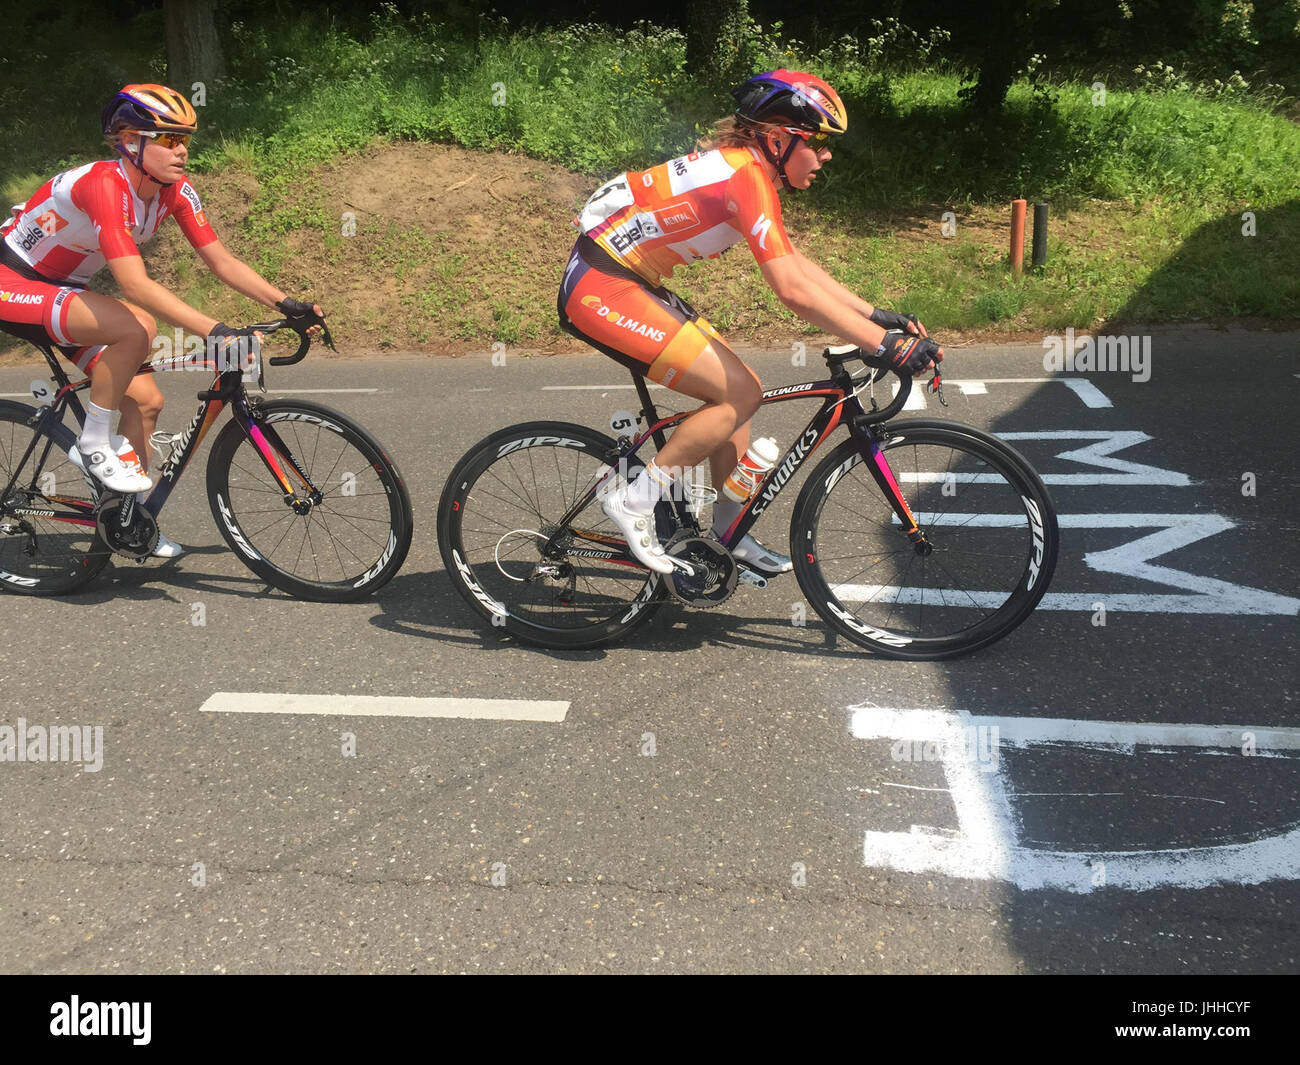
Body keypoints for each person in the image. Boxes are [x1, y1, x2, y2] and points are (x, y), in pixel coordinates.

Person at [558, 69, 942, 575]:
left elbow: (795, 265)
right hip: (602, 285)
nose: (826, 156)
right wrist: (886, 345)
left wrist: (875, 317)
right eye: (819, 142)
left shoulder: (748, 172)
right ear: (779, 139)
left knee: (745, 391)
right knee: (738, 393)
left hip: (629, 278)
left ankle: (727, 531)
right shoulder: (746, 176)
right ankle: (633, 501)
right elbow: (792, 292)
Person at [0, 83, 325, 558]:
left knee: (146, 401)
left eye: (186, 140)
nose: (182, 150)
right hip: (12, 278)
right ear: (132, 142)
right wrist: (213, 331)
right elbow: (134, 285)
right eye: (169, 139)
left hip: (62, 289)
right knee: (134, 326)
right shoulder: (105, 186)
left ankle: (128, 523)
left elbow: (222, 262)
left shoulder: (175, 191)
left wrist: (287, 303)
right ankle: (94, 441)